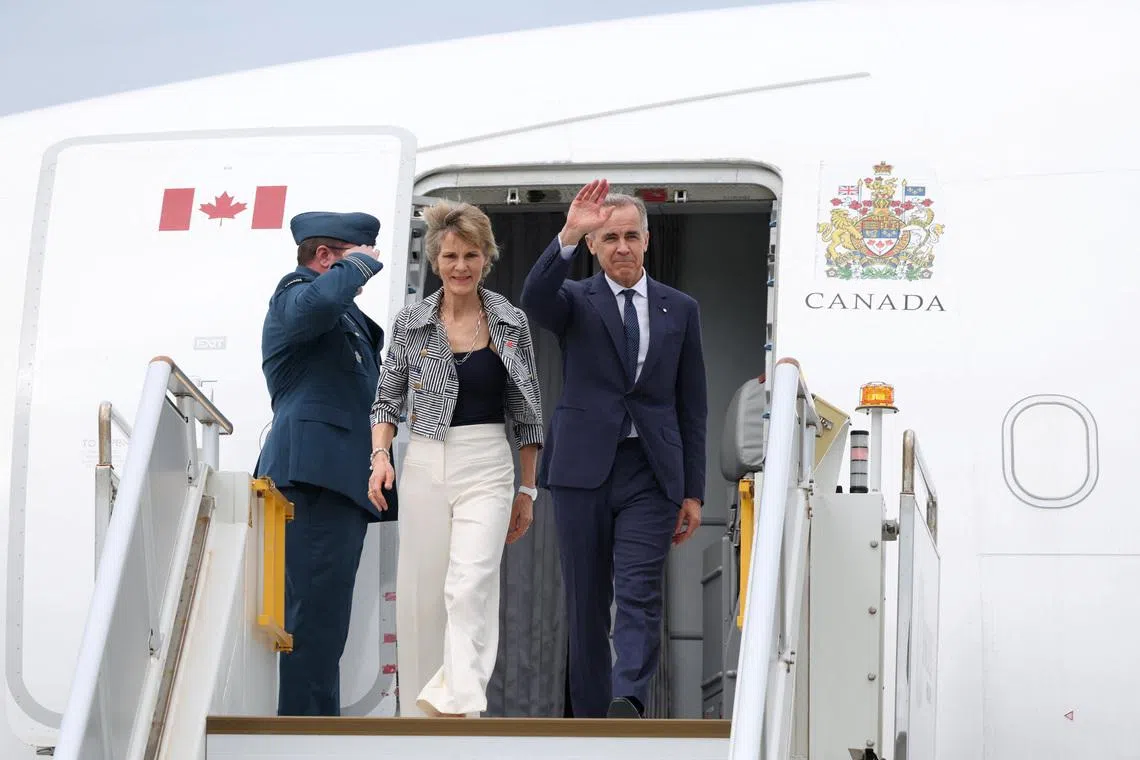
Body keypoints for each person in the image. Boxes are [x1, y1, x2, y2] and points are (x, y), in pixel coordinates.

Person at [519, 180, 708, 719]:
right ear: (594, 246)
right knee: (586, 598)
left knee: (639, 589)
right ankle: (588, 715)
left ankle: (628, 700)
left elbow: (692, 405)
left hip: (651, 471)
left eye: (630, 236)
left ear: (646, 240)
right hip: (582, 470)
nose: (621, 247)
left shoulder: (680, 308)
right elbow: (533, 299)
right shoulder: (575, 300)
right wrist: (567, 233)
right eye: (609, 238)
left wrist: (693, 491)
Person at [367, 201, 544, 718]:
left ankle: (460, 705)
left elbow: (528, 413)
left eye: (470, 255)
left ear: (486, 258)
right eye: (450, 256)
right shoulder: (412, 323)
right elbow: (386, 400)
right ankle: (419, 718)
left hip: (488, 464)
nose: (460, 266)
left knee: (469, 586)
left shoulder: (510, 321)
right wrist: (381, 455)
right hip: (425, 461)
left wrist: (527, 490)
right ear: (435, 260)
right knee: (423, 596)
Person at [255, 210, 399, 716]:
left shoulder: (345, 320)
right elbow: (313, 306)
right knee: (313, 619)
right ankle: (303, 736)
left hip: (337, 481)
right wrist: (354, 268)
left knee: (326, 622)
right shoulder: (294, 294)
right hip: (312, 478)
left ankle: (314, 730)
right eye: (360, 258)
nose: (366, 272)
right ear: (324, 257)